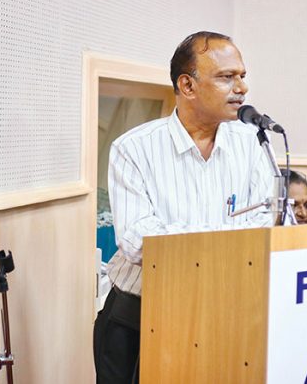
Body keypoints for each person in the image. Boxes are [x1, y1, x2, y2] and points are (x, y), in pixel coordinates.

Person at [93, 31, 275, 384]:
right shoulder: (134, 148)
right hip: (138, 317)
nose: (242, 88)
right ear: (187, 86)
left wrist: (188, 235)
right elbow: (136, 240)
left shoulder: (253, 143)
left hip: (224, 313)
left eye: (242, 76)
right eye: (226, 77)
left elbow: (268, 222)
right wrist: (229, 235)